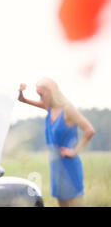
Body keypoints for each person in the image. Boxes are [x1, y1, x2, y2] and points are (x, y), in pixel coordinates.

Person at [18, 78, 95, 207]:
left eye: (41, 94)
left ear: (51, 91)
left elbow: (89, 130)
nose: (40, 97)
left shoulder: (67, 109)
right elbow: (22, 100)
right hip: (55, 166)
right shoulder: (49, 108)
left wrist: (75, 151)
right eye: (38, 94)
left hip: (69, 165)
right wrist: (20, 92)